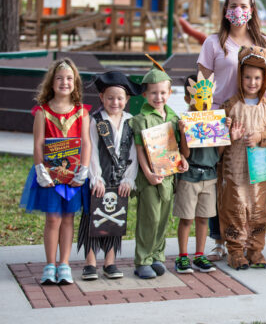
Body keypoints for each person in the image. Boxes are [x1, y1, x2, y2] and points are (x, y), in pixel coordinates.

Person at [196, 0, 266, 259]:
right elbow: (202, 82)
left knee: (250, 182)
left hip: (255, 120)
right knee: (219, 179)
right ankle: (221, 239)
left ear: (252, 9)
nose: (238, 10)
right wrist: (199, 116)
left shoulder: (264, 43)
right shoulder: (214, 42)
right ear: (225, 10)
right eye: (233, 6)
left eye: (243, 6)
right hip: (220, 118)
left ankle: (248, 240)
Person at [20, 59, 91, 285]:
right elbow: (38, 143)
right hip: (50, 175)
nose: (64, 82)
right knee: (52, 219)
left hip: (73, 175)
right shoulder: (42, 112)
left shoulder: (81, 112)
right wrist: (41, 170)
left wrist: (84, 169)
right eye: (59, 78)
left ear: (75, 83)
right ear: (51, 82)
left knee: (68, 218)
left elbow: (86, 143)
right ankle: (50, 264)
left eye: (69, 78)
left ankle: (65, 264)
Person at [218, 46, 266, 270]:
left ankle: (255, 250)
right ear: (240, 76)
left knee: (258, 210)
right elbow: (216, 139)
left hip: (258, 171)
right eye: (247, 77)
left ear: (264, 78)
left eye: (257, 77)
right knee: (234, 209)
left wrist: (261, 136)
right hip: (234, 170)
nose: (252, 82)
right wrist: (228, 134)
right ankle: (235, 251)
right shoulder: (229, 106)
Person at [78, 71, 141, 280]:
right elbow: (92, 150)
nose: (115, 102)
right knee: (92, 219)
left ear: (127, 99)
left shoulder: (131, 122)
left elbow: (133, 152)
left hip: (120, 180)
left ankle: (110, 261)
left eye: (120, 98)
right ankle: (90, 261)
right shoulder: (95, 120)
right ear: (101, 98)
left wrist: (129, 179)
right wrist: (95, 177)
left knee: (115, 219)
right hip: (100, 179)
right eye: (110, 98)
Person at [130, 65, 189, 279]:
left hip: (168, 177)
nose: (158, 97)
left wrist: (182, 161)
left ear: (170, 93)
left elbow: (178, 149)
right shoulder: (141, 119)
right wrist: (147, 173)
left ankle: (157, 255)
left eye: (163, 92)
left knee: (163, 218)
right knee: (149, 218)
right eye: (153, 92)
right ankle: (142, 259)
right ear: (145, 94)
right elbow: (139, 151)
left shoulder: (173, 119)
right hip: (150, 179)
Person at [172, 74, 223, 274]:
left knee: (204, 217)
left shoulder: (215, 120)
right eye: (199, 97)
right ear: (187, 99)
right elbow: (185, 154)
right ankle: (183, 257)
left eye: (208, 96)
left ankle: (199, 255)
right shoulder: (184, 121)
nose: (204, 102)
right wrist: (184, 134)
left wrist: (225, 135)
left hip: (209, 177)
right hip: (189, 176)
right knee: (186, 218)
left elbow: (218, 154)